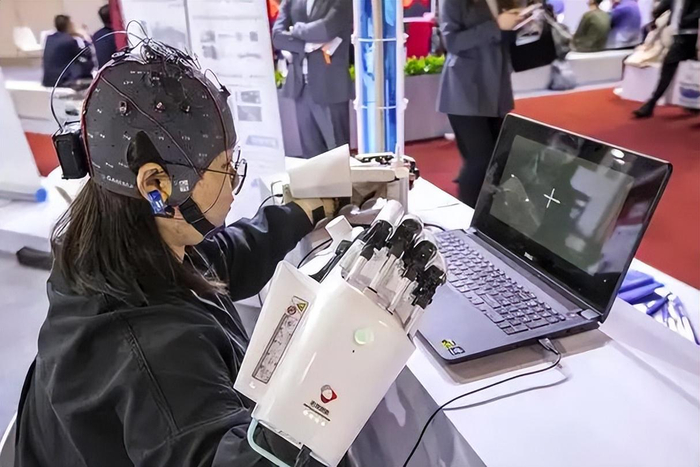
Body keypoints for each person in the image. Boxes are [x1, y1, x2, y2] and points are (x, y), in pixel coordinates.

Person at [15, 42, 337, 466]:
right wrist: (339, 370)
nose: (233, 184)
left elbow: (218, 262)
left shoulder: (123, 250)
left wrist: (303, 211)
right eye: (225, 169)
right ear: (156, 184)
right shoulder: (154, 351)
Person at [436, 0, 521, 208]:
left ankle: (487, 213)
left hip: (496, 87)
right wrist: (496, 26)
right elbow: (452, 43)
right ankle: (467, 214)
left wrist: (520, 24)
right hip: (465, 89)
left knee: (498, 158)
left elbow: (503, 39)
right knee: (480, 160)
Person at [272, 0, 354, 159]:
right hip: (300, 88)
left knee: (337, 153)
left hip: (330, 87)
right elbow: (277, 37)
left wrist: (295, 29)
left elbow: (326, 30)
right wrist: (306, 46)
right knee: (311, 155)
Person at [633, 0, 700, 118]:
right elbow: (662, 7)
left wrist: (684, 20)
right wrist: (656, 15)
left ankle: (651, 104)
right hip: (678, 36)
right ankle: (652, 103)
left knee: (670, 68)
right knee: (670, 68)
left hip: (690, 36)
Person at [42, 15, 94, 87]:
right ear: (68, 25)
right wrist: (84, 37)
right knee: (87, 63)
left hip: (48, 81)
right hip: (62, 82)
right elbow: (86, 53)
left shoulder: (49, 38)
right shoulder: (69, 40)